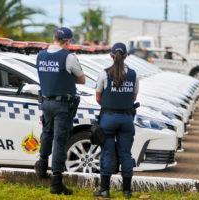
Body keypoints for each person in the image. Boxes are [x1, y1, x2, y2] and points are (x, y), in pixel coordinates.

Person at [34, 27, 85, 195]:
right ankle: (56, 182)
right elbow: (82, 79)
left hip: (46, 102)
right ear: (67, 41)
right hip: (62, 105)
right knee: (60, 140)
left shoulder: (41, 55)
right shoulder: (68, 57)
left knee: (47, 133)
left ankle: (41, 165)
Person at [94, 42, 138, 199]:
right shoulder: (133, 74)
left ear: (111, 55)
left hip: (108, 118)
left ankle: (105, 190)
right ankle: (127, 191)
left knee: (107, 153)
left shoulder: (104, 73)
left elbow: (98, 97)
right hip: (126, 118)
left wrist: (109, 105)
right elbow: (133, 97)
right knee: (125, 154)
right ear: (126, 56)